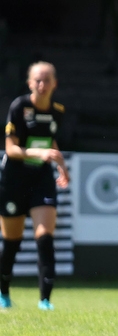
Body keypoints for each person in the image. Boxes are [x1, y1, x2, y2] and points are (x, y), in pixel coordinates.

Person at [1, 61, 70, 311]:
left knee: (45, 237)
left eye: (47, 80)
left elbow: (50, 142)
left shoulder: (58, 111)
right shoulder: (19, 107)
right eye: (37, 80)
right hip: (14, 179)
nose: (42, 85)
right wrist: (38, 153)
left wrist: (62, 166)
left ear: (54, 83)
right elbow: (11, 149)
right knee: (12, 241)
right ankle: (4, 292)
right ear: (30, 83)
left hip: (41, 179)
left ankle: (45, 301)